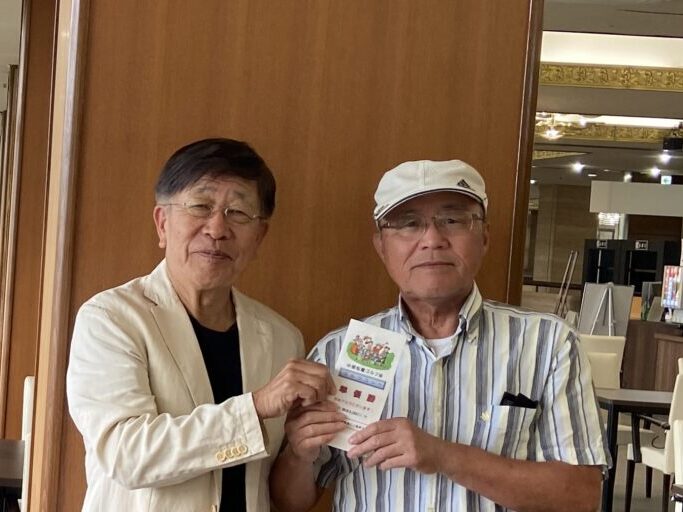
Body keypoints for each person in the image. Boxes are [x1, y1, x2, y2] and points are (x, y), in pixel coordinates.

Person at [270, 160, 610, 512]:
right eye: (408, 223)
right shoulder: (337, 351)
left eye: (452, 220)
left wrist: (443, 455)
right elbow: (290, 502)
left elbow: (581, 496)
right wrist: (298, 454)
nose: (432, 240)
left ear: (484, 237)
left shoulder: (548, 343)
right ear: (381, 246)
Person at [66, 138, 335, 512]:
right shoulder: (112, 318)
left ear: (259, 237)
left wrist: (301, 453)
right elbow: (126, 455)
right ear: (162, 223)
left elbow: (279, 496)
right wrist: (255, 407)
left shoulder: (282, 338)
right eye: (200, 206)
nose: (217, 228)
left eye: (238, 212)